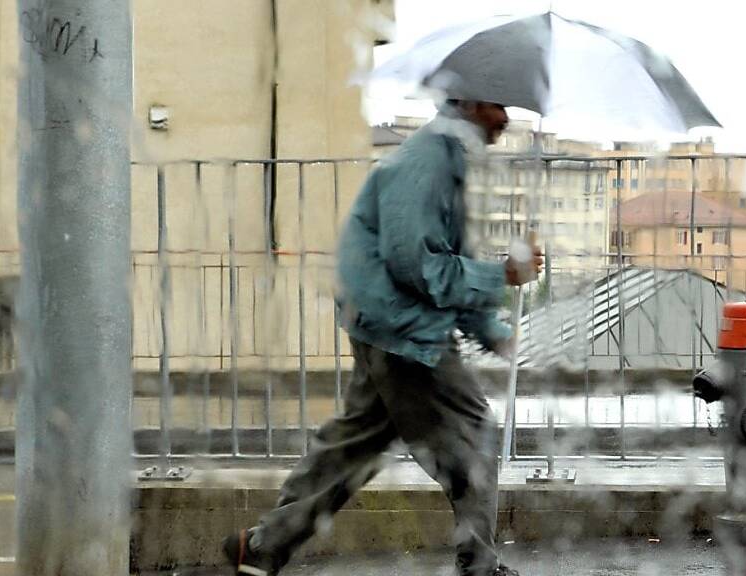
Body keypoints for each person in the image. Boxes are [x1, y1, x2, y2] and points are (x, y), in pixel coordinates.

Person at [222, 99, 542, 576]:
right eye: (498, 106)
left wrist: (490, 330)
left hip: (386, 324)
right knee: (474, 435)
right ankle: (479, 566)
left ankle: (265, 545)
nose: (505, 120)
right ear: (472, 103)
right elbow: (417, 265)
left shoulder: (443, 161)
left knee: (356, 446)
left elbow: (445, 257)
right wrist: (502, 276)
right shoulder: (427, 163)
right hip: (406, 330)